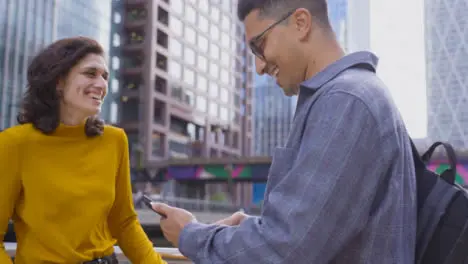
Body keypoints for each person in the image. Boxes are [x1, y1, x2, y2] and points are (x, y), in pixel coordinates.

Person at [152, 0, 417, 263]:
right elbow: (314, 234)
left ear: (300, 23)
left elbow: (287, 250)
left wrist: (190, 234)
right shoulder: (354, 95)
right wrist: (258, 229)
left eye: (260, 45)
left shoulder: (345, 101)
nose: (259, 67)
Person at [0, 37, 165, 264]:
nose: (102, 84)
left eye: (105, 76)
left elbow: (124, 223)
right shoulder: (14, 144)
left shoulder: (115, 140)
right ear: (58, 81)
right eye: (90, 73)